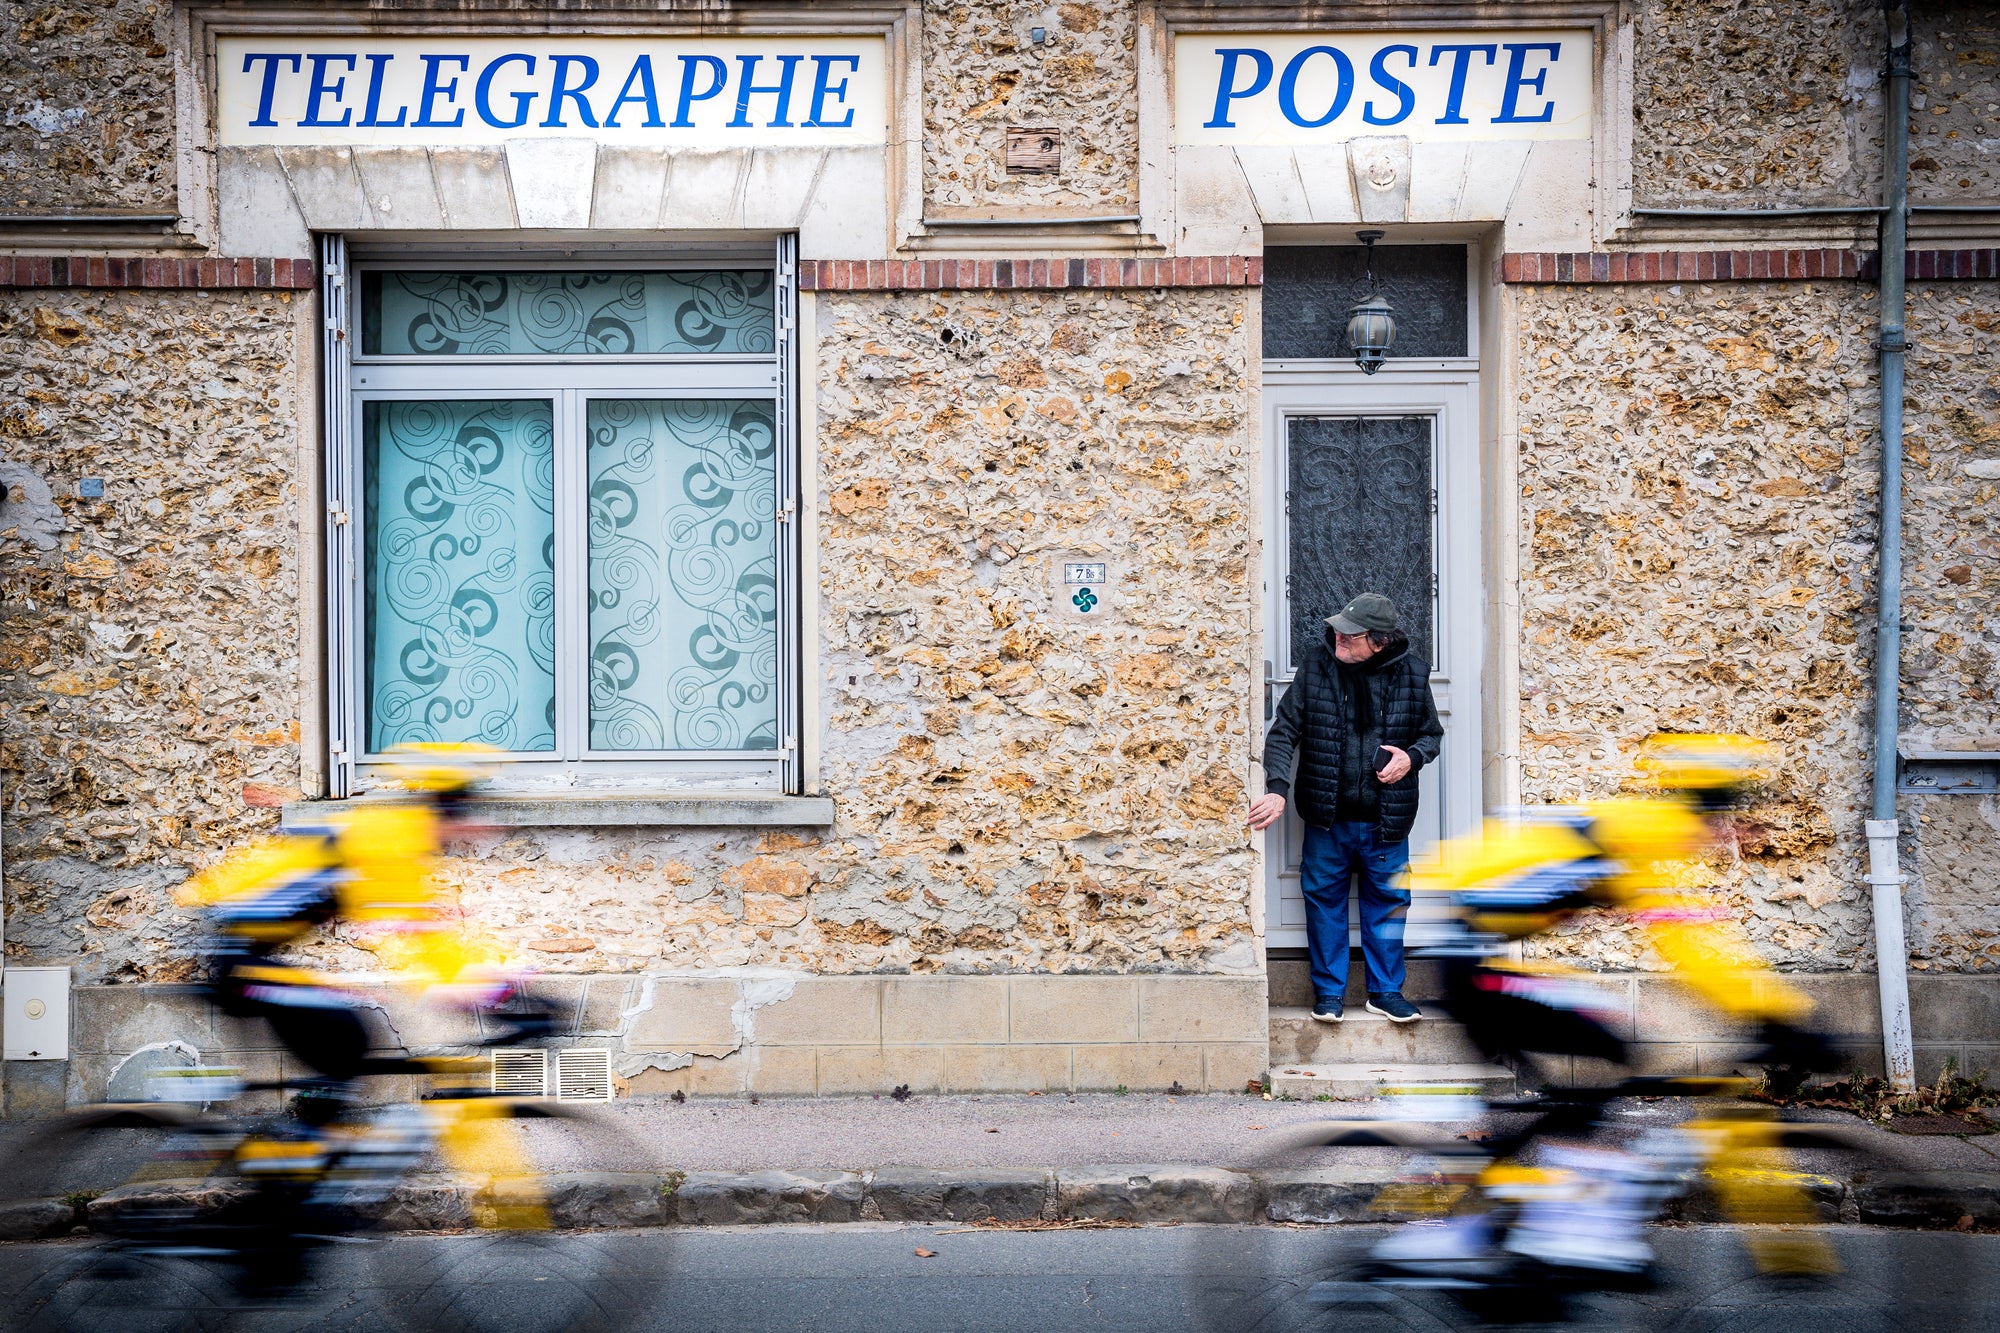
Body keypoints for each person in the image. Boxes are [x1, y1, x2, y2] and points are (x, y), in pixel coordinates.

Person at [1248, 592, 1444, 1024]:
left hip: (1387, 820)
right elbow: (1283, 732)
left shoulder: (1412, 672)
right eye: (1337, 628)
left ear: (1379, 641)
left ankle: (1386, 992)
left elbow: (1432, 734)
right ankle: (1329, 993)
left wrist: (1411, 757)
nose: (1339, 637)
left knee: (1389, 904)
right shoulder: (1318, 664)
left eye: (1350, 635)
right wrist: (1277, 788)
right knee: (1324, 905)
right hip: (1326, 817)